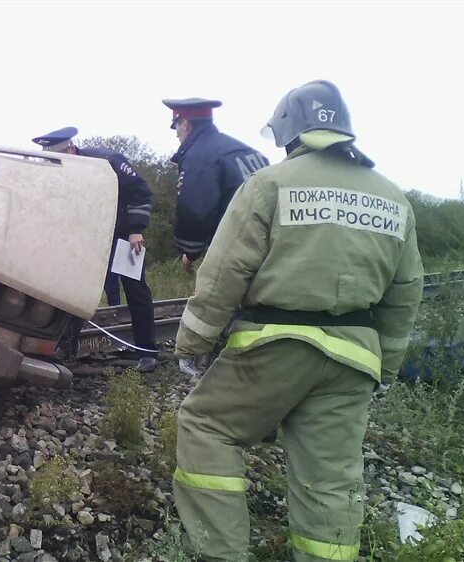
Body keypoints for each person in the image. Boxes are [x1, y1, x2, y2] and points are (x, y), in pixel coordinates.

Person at [171, 80, 424, 561]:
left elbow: (224, 273)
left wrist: (193, 346)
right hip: (355, 357)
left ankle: (219, 553)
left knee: (206, 427)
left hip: (275, 344)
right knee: (330, 479)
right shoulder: (393, 199)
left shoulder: (270, 185)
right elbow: (405, 294)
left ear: (290, 131)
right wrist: (385, 369)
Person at [33, 127, 158, 372]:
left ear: (70, 148)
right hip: (90, 239)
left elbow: (141, 192)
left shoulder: (107, 160)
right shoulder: (59, 168)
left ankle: (147, 352)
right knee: (73, 290)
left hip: (123, 236)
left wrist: (135, 228)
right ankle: (64, 348)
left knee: (135, 291)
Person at [162, 98, 269, 274]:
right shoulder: (249, 151)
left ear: (186, 124)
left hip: (234, 253)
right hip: (268, 246)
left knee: (209, 302)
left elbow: (195, 211)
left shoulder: (199, 156)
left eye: (176, 126)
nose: (176, 134)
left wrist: (190, 251)